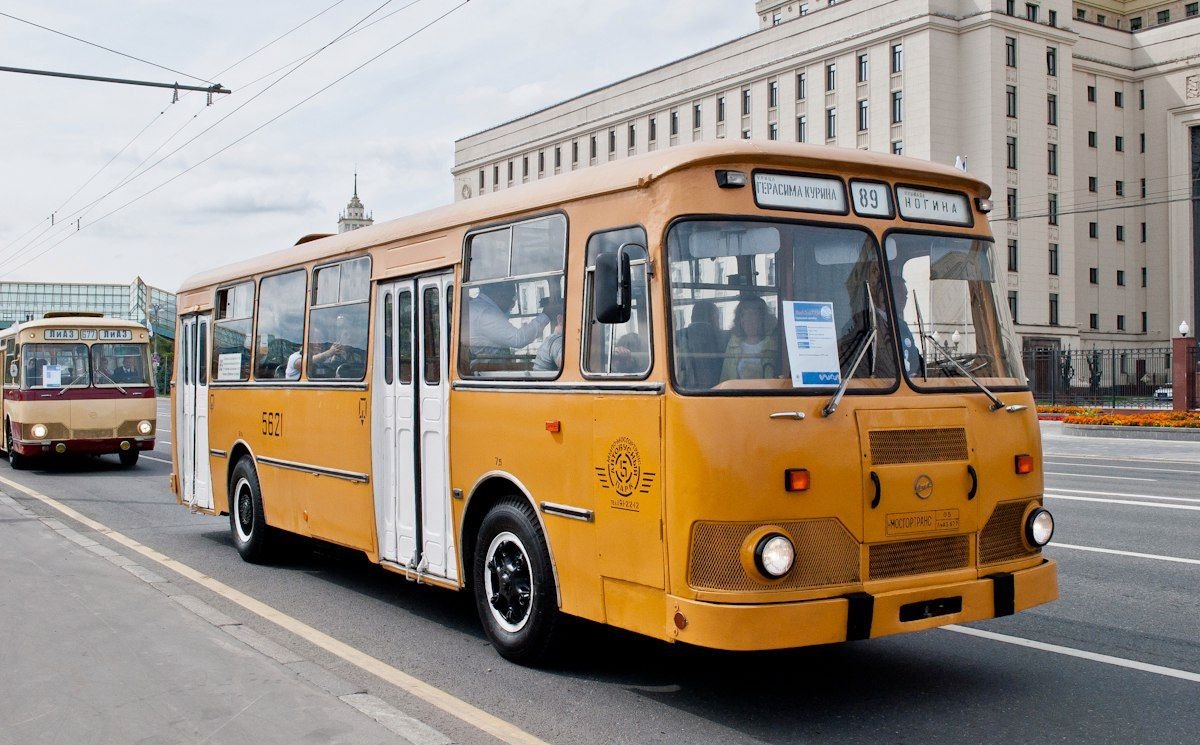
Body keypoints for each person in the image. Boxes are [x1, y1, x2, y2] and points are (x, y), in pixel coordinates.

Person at [468, 283, 555, 362]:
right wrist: (546, 315)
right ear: (500, 294)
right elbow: (517, 339)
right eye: (512, 298)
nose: (513, 304)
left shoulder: (477, 307)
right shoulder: (486, 312)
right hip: (488, 371)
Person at [720, 297, 779, 381]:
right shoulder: (733, 345)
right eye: (745, 315)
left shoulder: (773, 344)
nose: (749, 320)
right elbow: (724, 377)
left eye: (754, 314)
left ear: (763, 319)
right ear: (740, 320)